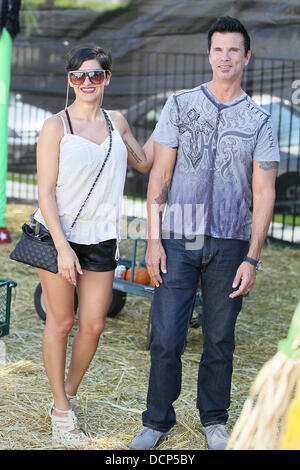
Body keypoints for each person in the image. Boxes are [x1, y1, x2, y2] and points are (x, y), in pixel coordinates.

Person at [129, 16, 280, 451]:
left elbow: (265, 191)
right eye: (218, 49)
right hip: (179, 237)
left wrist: (252, 256)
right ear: (209, 54)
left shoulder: (259, 119)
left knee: (219, 338)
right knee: (167, 336)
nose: (226, 57)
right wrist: (154, 240)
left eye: (234, 50)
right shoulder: (180, 105)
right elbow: (158, 176)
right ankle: (156, 421)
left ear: (246, 57)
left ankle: (214, 420)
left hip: (232, 241)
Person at [34, 44, 154, 447]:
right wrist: (63, 247)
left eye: (95, 75)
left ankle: (64, 397)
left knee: (94, 324)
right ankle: (62, 412)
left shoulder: (117, 121)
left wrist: (172, 120)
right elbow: (45, 193)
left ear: (107, 78)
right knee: (62, 321)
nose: (87, 82)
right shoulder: (56, 127)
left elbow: (144, 161)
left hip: (102, 237)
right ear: (70, 80)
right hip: (58, 236)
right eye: (78, 75)